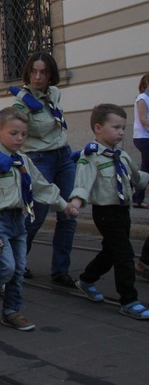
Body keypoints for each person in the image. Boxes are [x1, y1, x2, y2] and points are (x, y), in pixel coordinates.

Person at [0, 108, 80, 331]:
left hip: (18, 219)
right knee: (6, 267)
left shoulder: (23, 160)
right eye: (14, 133)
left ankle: (11, 310)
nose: (19, 139)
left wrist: (64, 206)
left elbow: (41, 186)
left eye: (24, 134)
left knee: (19, 268)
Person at [70, 104, 149, 319]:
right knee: (124, 254)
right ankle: (129, 300)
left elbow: (139, 178)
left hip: (123, 210)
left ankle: (87, 279)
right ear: (98, 128)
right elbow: (82, 184)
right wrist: (75, 204)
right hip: (105, 212)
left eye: (123, 127)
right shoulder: (90, 157)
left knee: (111, 251)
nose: (122, 132)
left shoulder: (122, 156)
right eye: (116, 127)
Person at [10, 52, 77, 286]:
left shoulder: (55, 93)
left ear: (51, 75)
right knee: (35, 216)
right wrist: (33, 108)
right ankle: (16, 264)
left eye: (43, 72)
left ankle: (61, 271)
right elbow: (33, 129)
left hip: (64, 154)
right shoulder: (21, 102)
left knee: (68, 214)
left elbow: (57, 125)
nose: (37, 77)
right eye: (33, 72)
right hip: (39, 159)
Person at [132, 73, 149, 208]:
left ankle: (137, 197)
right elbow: (143, 119)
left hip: (146, 137)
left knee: (145, 169)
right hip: (142, 137)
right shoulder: (142, 98)